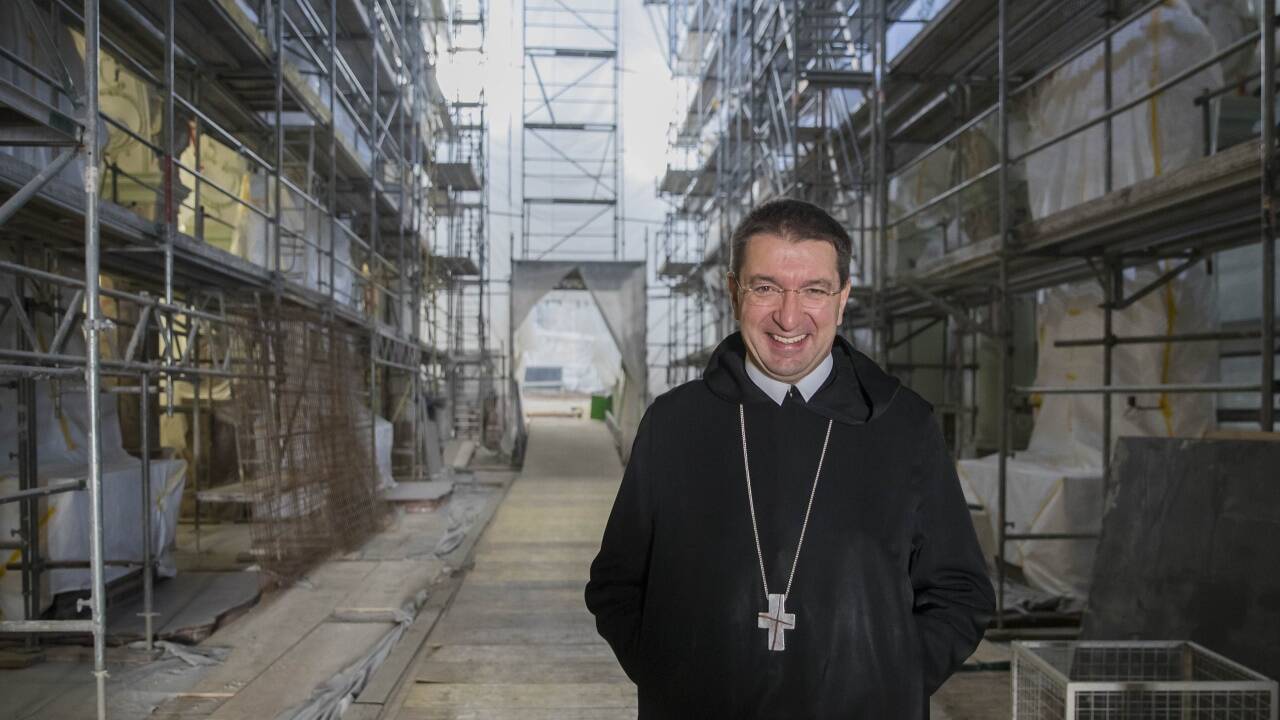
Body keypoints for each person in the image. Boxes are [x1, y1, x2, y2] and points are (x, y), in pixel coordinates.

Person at [585, 198, 995, 718]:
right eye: (765, 287)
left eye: (814, 290)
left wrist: (892, 678)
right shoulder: (673, 424)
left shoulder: (903, 425)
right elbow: (616, 584)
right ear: (734, 292)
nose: (788, 315)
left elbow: (961, 592)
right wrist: (673, 675)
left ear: (843, 299)